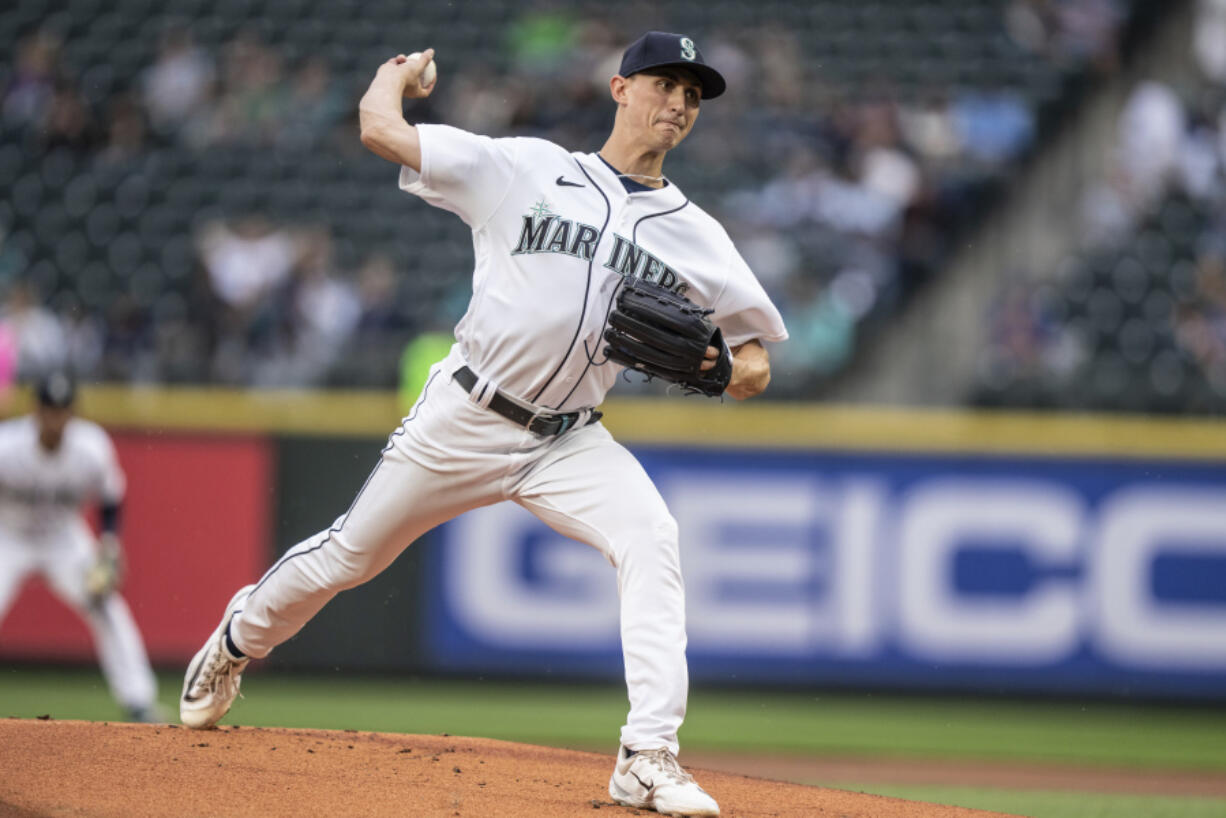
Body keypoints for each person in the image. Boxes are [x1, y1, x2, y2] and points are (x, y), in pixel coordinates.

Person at [180, 31, 787, 817]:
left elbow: (758, 362)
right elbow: (379, 131)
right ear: (619, 88)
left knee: (652, 538)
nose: (678, 102)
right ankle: (237, 639)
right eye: (665, 84)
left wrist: (718, 369)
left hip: (568, 438)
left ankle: (647, 755)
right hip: (466, 414)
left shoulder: (698, 234)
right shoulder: (526, 169)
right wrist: (390, 75)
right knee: (348, 557)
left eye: (693, 95)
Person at [0, 371, 162, 722]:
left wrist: (108, 546)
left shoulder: (91, 446)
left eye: (62, 410)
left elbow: (110, 498)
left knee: (106, 605)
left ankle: (139, 701)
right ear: (36, 411)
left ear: (72, 413)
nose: (55, 417)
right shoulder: (7, 446)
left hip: (63, 540)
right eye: (48, 409)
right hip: (8, 537)